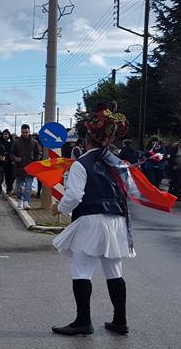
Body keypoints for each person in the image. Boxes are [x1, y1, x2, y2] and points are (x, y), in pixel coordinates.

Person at [51, 103, 135, 336]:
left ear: (87, 140)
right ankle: (120, 321)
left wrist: (58, 208)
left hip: (91, 221)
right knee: (114, 271)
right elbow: (133, 192)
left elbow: (75, 196)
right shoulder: (118, 163)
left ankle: (83, 321)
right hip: (117, 222)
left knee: (81, 269)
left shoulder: (81, 164)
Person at [11, 124, 41, 210]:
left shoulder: (34, 142)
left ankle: (26, 202)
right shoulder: (16, 142)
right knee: (19, 187)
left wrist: (35, 162)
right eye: (23, 132)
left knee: (28, 187)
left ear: (29, 131)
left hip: (30, 168)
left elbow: (37, 153)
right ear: (21, 132)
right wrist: (15, 158)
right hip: (19, 168)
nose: (25, 134)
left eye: (26, 132)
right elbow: (11, 153)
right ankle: (20, 200)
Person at [0, 129, 15, 195]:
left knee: (9, 178)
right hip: (1, 162)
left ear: (9, 135)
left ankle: (9, 189)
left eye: (6, 134)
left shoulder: (12, 142)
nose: (5, 136)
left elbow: (14, 152)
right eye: (4, 134)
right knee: (0, 177)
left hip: (10, 163)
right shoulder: (0, 142)